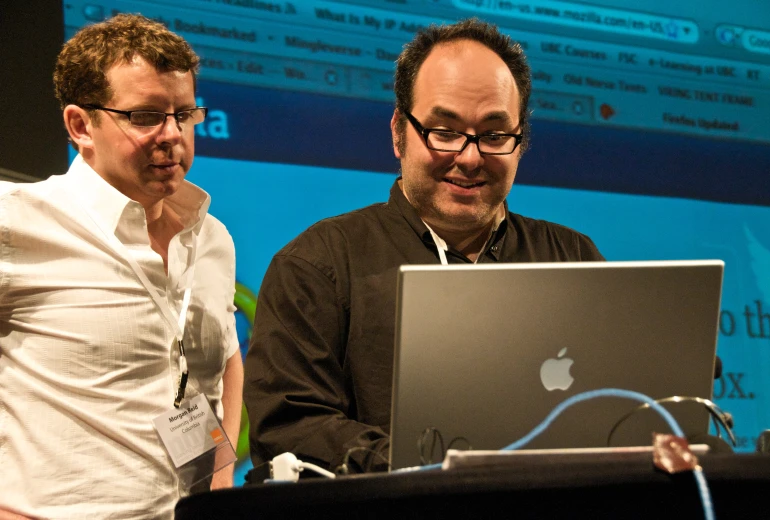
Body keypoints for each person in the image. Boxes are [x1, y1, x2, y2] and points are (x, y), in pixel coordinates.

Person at [243, 18, 603, 475]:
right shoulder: (317, 266)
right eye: (444, 131)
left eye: (494, 135)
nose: (470, 157)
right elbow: (291, 429)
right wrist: (433, 465)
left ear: (521, 142)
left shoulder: (571, 257)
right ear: (399, 132)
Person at [0, 14, 243, 519]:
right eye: (146, 116)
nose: (172, 135)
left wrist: (221, 477)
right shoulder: (16, 221)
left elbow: (223, 363)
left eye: (184, 113)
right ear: (80, 125)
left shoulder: (212, 237)